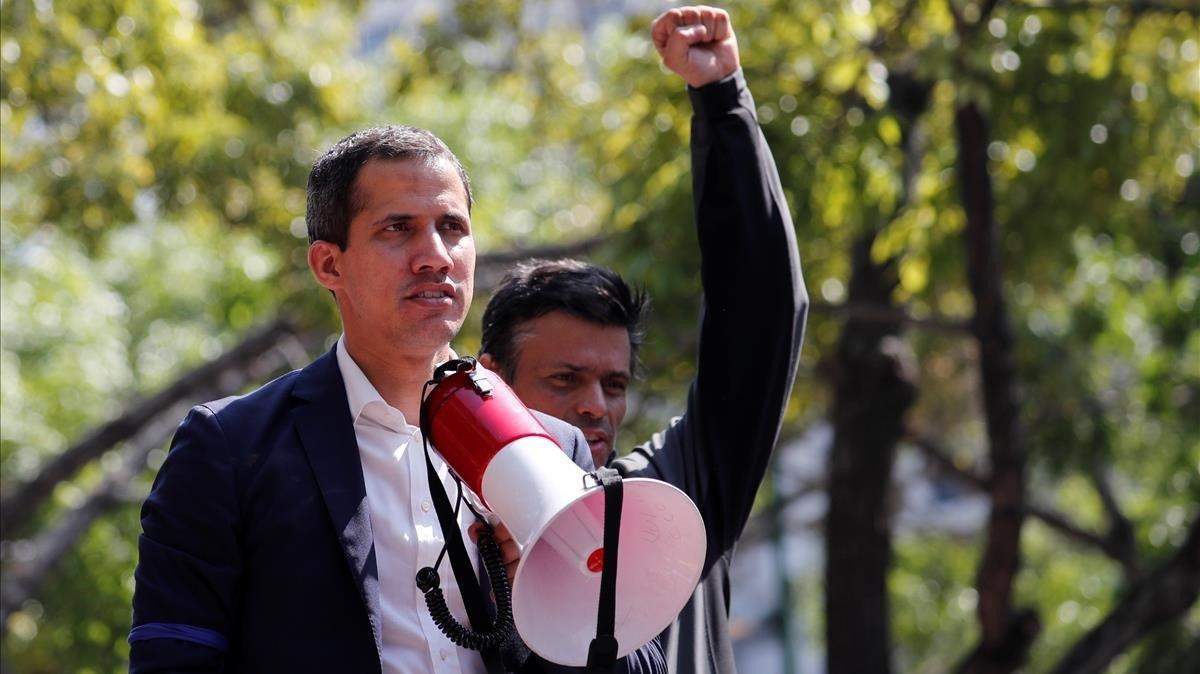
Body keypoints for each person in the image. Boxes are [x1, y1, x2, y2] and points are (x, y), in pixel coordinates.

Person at [128, 125, 666, 673]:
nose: (434, 256)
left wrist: (561, 594)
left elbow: (635, 658)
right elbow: (172, 658)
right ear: (328, 265)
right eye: (398, 228)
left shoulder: (553, 445)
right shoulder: (230, 447)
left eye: (452, 227)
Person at [479, 6, 808, 674]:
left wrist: (722, 101)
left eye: (615, 384)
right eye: (565, 380)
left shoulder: (670, 498)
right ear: (493, 383)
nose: (597, 406)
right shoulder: (437, 531)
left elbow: (759, 315)